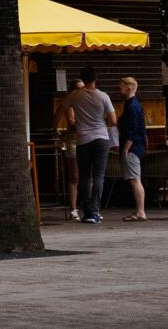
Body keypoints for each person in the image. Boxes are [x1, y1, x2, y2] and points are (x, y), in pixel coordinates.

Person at [62, 66, 116, 224]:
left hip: (83, 140)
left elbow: (60, 110)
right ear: (95, 78)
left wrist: (53, 127)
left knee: (84, 177)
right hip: (101, 138)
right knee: (98, 176)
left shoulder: (74, 95)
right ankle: (95, 211)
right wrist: (101, 123)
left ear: (83, 78)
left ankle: (87, 212)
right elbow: (113, 121)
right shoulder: (103, 96)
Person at [118, 76, 148, 221]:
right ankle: (140, 211)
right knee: (135, 179)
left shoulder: (131, 106)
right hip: (136, 146)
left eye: (121, 87)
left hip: (133, 147)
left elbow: (132, 129)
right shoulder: (133, 104)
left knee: (135, 179)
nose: (120, 90)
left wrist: (125, 149)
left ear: (128, 88)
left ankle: (141, 211)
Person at [60, 78, 83, 220]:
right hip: (73, 140)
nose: (81, 90)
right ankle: (73, 208)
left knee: (88, 175)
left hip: (86, 138)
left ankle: (89, 205)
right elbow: (72, 122)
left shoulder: (86, 102)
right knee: (75, 176)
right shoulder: (70, 104)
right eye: (78, 88)